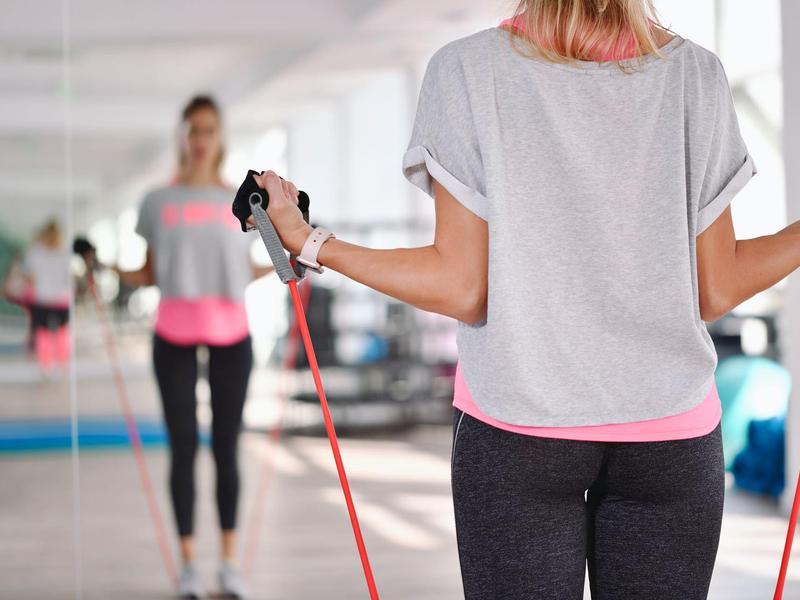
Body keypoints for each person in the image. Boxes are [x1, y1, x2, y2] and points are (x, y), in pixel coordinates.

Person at [247, 2, 800, 598]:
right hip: (670, 436)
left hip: (520, 432)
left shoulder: (466, 69)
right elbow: (716, 288)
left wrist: (311, 242)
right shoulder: (698, 74)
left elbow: (462, 287)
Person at [117, 94, 272, 599]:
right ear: (182, 136)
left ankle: (228, 564)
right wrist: (101, 270)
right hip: (173, 334)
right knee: (183, 448)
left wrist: (297, 260)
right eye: (193, 129)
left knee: (226, 449)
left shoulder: (243, 204)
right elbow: (147, 271)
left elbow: (244, 270)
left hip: (233, 334)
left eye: (209, 129)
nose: (201, 139)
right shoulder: (156, 201)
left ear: (220, 137)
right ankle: (188, 568)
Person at [19, 219, 72, 377]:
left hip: (43, 298)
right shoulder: (64, 252)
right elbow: (68, 276)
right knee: (61, 333)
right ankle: (62, 364)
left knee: (44, 334)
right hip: (61, 298)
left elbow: (29, 277)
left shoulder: (35, 252)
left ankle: (46, 366)